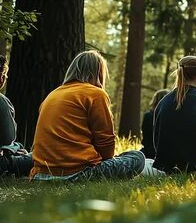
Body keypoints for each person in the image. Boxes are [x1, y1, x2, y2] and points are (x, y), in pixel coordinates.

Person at [31, 51, 145, 181]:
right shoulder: (95, 94)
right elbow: (106, 144)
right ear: (99, 72)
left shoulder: (52, 95)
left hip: (41, 173)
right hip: (76, 173)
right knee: (137, 157)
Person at [0, 55, 32, 177]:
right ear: (1, 78)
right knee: (35, 158)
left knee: (17, 147)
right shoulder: (1, 101)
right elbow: (8, 137)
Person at [140, 89, 170, 159]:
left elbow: (145, 138)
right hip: (164, 155)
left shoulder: (148, 116)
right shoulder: (170, 117)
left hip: (147, 152)